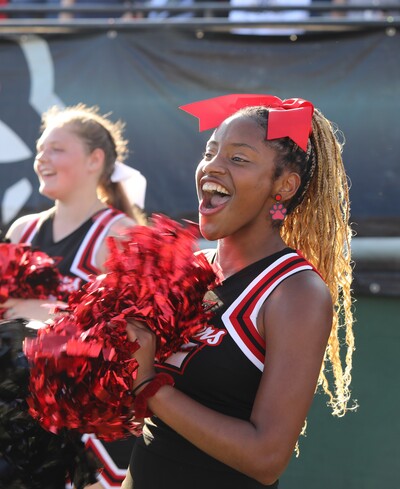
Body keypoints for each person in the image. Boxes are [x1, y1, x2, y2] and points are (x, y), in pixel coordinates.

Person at [122, 93, 356, 488]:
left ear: (282, 186)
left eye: (238, 158)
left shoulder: (295, 293)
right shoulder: (191, 272)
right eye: (210, 152)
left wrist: (149, 387)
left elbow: (266, 459)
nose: (212, 166)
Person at [2, 103, 147, 489]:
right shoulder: (22, 231)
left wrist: (42, 314)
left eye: (57, 150)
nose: (42, 160)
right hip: (26, 427)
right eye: (40, 150)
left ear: (94, 159)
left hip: (91, 435)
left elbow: (139, 343)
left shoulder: (121, 236)